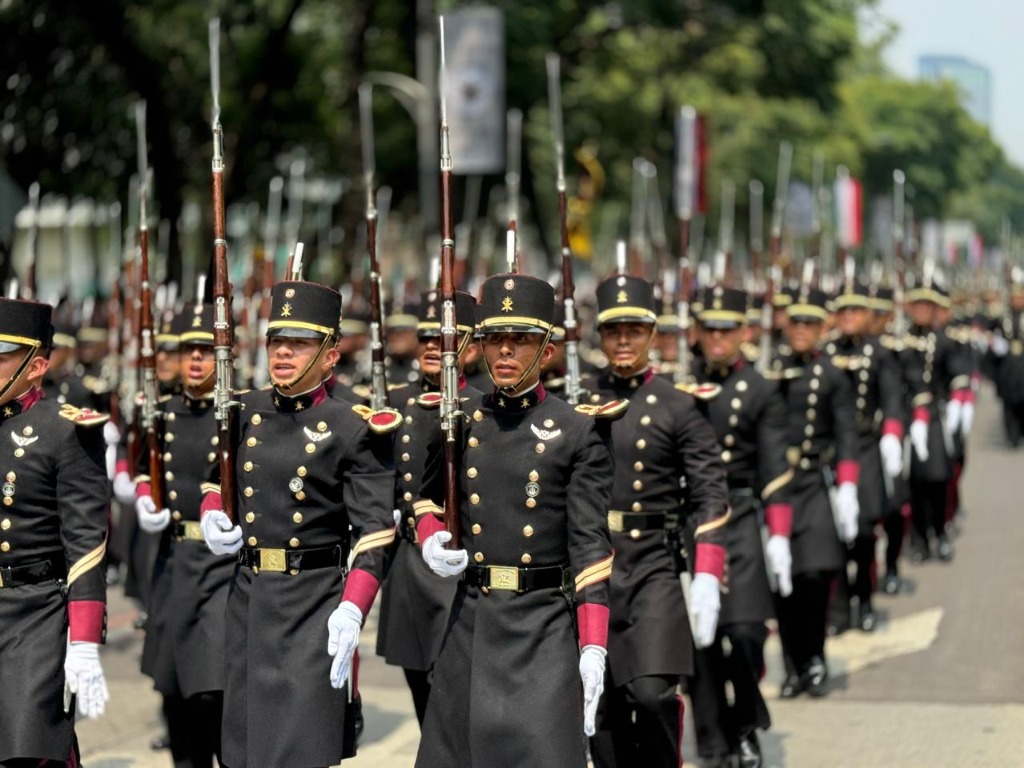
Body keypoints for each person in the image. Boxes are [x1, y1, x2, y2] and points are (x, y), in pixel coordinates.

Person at [413, 273, 617, 768]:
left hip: (541, 621)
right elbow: (425, 501)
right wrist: (430, 540)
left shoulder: (577, 432)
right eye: (494, 341)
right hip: (473, 618)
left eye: (520, 341)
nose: (504, 352)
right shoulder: (461, 420)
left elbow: (591, 548)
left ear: (547, 352)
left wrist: (592, 646)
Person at [199, 279, 396, 768]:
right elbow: (213, 482)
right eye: (275, 341)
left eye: (300, 343)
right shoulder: (244, 411)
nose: (283, 352)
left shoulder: (353, 426)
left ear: (330, 355)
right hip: (248, 599)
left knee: (297, 751)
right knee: (243, 754)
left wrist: (353, 609)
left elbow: (374, 532)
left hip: (312, 606)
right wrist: (209, 515)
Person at [583, 274, 730, 768]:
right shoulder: (578, 400)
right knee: (599, 708)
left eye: (635, 329)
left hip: (652, 566)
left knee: (650, 694)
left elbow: (711, 490)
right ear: (599, 336)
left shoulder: (678, 404)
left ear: (652, 334)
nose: (623, 340)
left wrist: (708, 570)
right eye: (612, 330)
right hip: (593, 565)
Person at [0, 296, 111, 765]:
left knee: (30, 753)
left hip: (36, 615)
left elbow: (86, 543)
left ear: (35, 365)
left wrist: (83, 642)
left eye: (1, 355)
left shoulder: (65, 431)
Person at [687, 285, 792, 768]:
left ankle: (747, 722)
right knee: (701, 638)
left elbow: (773, 470)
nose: (716, 337)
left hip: (742, 516)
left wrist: (780, 535)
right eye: (709, 327)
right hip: (692, 522)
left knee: (747, 632)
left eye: (726, 329)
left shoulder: (761, 389)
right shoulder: (680, 383)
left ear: (745, 332)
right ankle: (712, 736)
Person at [133, 303, 233, 766]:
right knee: (172, 686)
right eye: (189, 350)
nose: (195, 360)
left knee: (211, 688)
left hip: (220, 565)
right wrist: (142, 494)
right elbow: (139, 466)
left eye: (205, 351)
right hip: (173, 561)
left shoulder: (235, 414)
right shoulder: (164, 414)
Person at [375, 289, 481, 725]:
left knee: (454, 685)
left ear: (470, 347)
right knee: (420, 681)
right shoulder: (394, 403)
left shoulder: (484, 404)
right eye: (426, 339)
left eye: (445, 339)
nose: (434, 348)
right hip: (409, 562)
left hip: (461, 561)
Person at [769, 286, 859, 699]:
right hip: (777, 487)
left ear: (823, 327)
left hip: (815, 482)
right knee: (782, 582)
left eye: (810, 322)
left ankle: (816, 655)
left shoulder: (834, 375)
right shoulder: (770, 370)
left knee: (815, 576)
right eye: (796, 321)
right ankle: (791, 665)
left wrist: (848, 485)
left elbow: (845, 433)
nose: (802, 329)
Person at [825, 281, 906, 634]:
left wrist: (892, 432)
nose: (848, 317)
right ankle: (840, 607)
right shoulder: (824, 351)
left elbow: (891, 397)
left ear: (866, 314)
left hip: (866, 447)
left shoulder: (880, 352)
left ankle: (866, 599)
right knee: (834, 533)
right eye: (842, 311)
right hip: (831, 452)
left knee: (863, 532)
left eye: (854, 311)